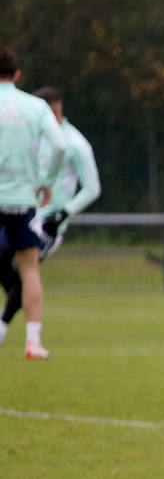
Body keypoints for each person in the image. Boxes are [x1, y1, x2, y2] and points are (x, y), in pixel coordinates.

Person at [0, 86, 100, 344]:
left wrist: (64, 213)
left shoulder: (76, 144)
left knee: (27, 268)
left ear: (53, 110)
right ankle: (21, 301)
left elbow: (92, 188)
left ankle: (5, 324)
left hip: (49, 222)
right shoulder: (34, 135)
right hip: (22, 208)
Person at [0, 47, 66, 359]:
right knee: (29, 269)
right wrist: (47, 182)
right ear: (17, 75)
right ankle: (33, 342)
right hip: (23, 200)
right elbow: (59, 146)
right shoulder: (35, 106)